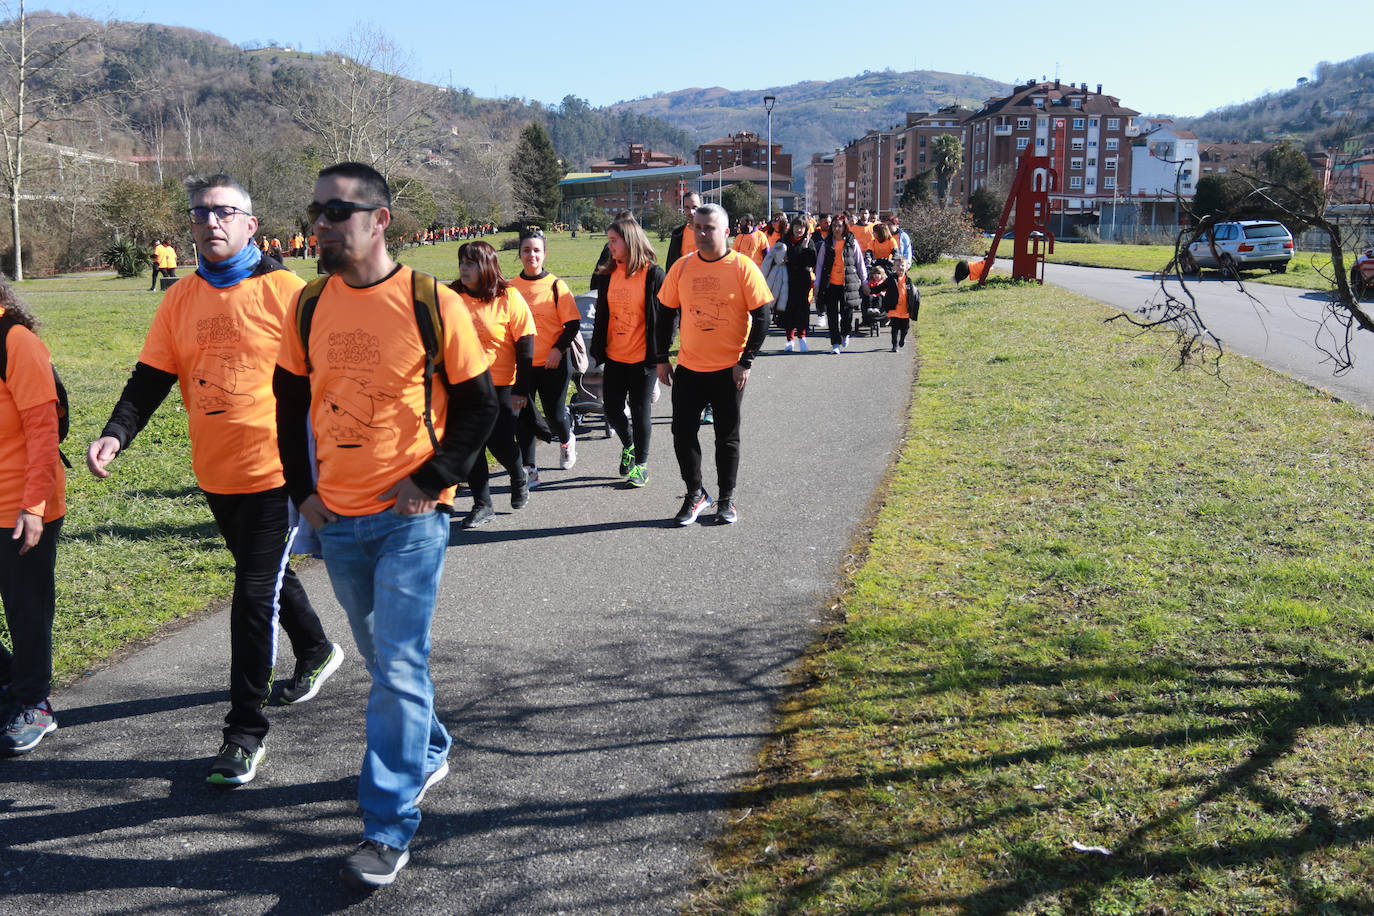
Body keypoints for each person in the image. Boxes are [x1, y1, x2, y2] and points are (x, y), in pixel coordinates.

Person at [275, 161, 497, 887]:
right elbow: (286, 402)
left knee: (398, 665)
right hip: (337, 520)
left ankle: (386, 827)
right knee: (381, 658)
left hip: (411, 519)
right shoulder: (308, 306)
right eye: (318, 210)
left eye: (338, 211)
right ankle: (428, 745)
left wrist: (430, 479)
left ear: (380, 220)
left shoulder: (434, 301)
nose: (323, 224)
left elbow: (479, 407)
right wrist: (304, 492)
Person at [88, 174, 344, 787]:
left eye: (224, 212)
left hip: (277, 472)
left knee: (252, 594)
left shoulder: (292, 293)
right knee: (266, 581)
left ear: (251, 224)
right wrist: (115, 433)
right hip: (215, 471)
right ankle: (315, 650)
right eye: (200, 213)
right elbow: (150, 377)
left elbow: (332, 379)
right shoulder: (179, 299)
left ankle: (243, 733)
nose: (210, 222)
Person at [655, 203, 772, 526]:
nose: (702, 233)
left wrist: (745, 361)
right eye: (698, 227)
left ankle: (726, 500)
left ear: (726, 231)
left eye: (709, 228)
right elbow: (665, 313)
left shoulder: (742, 267)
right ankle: (696, 493)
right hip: (690, 368)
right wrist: (662, 357)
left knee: (726, 436)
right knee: (682, 432)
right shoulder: (682, 267)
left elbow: (763, 315)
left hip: (729, 369)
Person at [0, 285, 64, 756]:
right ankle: (12, 678)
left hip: (19, 504)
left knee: (26, 609)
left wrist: (34, 506)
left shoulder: (15, 341)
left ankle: (34, 702)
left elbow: (43, 431)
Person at [449, 240, 535, 529]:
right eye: (462, 262)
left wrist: (522, 388)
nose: (464, 268)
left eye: (471, 263)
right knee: (472, 445)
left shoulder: (508, 296)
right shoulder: (451, 296)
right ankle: (482, 504)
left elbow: (525, 344)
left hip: (501, 384)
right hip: (463, 384)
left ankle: (518, 473)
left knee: (499, 443)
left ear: (486, 265)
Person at [590, 214, 664, 488]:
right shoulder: (608, 275)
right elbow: (602, 315)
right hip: (615, 355)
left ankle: (641, 465)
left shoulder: (653, 275)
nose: (609, 246)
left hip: (644, 359)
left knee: (641, 410)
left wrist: (661, 352)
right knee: (611, 409)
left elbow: (668, 314)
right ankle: (629, 444)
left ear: (630, 241)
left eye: (613, 241)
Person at [509, 229, 580, 486]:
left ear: (544, 254)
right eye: (526, 250)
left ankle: (566, 439)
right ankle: (530, 468)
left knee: (555, 414)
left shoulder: (556, 285)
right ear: (520, 254)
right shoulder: (510, 287)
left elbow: (572, 324)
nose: (532, 255)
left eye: (537, 250)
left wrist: (556, 350)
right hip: (523, 366)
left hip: (554, 363)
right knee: (524, 416)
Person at [813, 212, 867, 354]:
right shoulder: (827, 243)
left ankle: (845, 333)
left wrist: (865, 281)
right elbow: (819, 265)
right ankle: (835, 343)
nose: (837, 229)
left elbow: (859, 263)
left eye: (840, 226)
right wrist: (817, 285)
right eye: (835, 226)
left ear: (845, 227)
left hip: (848, 283)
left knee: (847, 313)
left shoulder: (851, 242)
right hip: (830, 284)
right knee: (831, 314)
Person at [776, 217, 817, 351]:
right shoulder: (783, 241)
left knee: (802, 310)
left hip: (803, 281)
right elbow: (774, 257)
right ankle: (789, 340)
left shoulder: (808, 242)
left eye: (802, 227)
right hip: (786, 280)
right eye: (796, 226)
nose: (799, 230)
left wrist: (805, 248)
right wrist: (780, 259)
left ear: (806, 229)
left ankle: (802, 338)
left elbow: (812, 262)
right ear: (792, 227)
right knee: (788, 310)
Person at [879, 256, 920, 351]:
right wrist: (871, 290)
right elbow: (882, 286)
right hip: (894, 309)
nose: (900, 267)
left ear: (906, 267)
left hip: (905, 310)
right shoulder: (891, 279)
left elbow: (913, 294)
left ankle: (902, 339)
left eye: (902, 265)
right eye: (897, 265)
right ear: (894, 267)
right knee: (895, 328)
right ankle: (894, 345)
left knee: (905, 328)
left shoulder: (908, 280)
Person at [665, 191, 701, 269]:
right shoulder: (677, 234)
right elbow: (670, 266)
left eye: (695, 207)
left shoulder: (710, 233)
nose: (691, 212)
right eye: (687, 207)